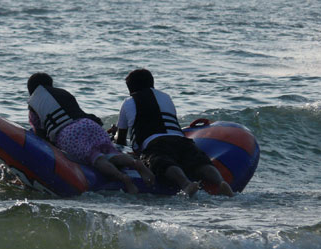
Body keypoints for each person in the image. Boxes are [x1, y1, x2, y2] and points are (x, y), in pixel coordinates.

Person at [27, 72, 155, 194]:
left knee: (96, 158)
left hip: (68, 133)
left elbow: (40, 135)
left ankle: (123, 178)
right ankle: (135, 164)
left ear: (31, 90)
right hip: (88, 124)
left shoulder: (33, 103)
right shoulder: (63, 93)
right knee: (110, 152)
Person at [113, 68, 233, 197]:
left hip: (154, 143)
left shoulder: (128, 102)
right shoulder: (166, 97)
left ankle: (186, 184)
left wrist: (115, 136)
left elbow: (120, 140)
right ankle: (220, 182)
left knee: (163, 162)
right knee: (198, 162)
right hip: (180, 139)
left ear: (131, 89)